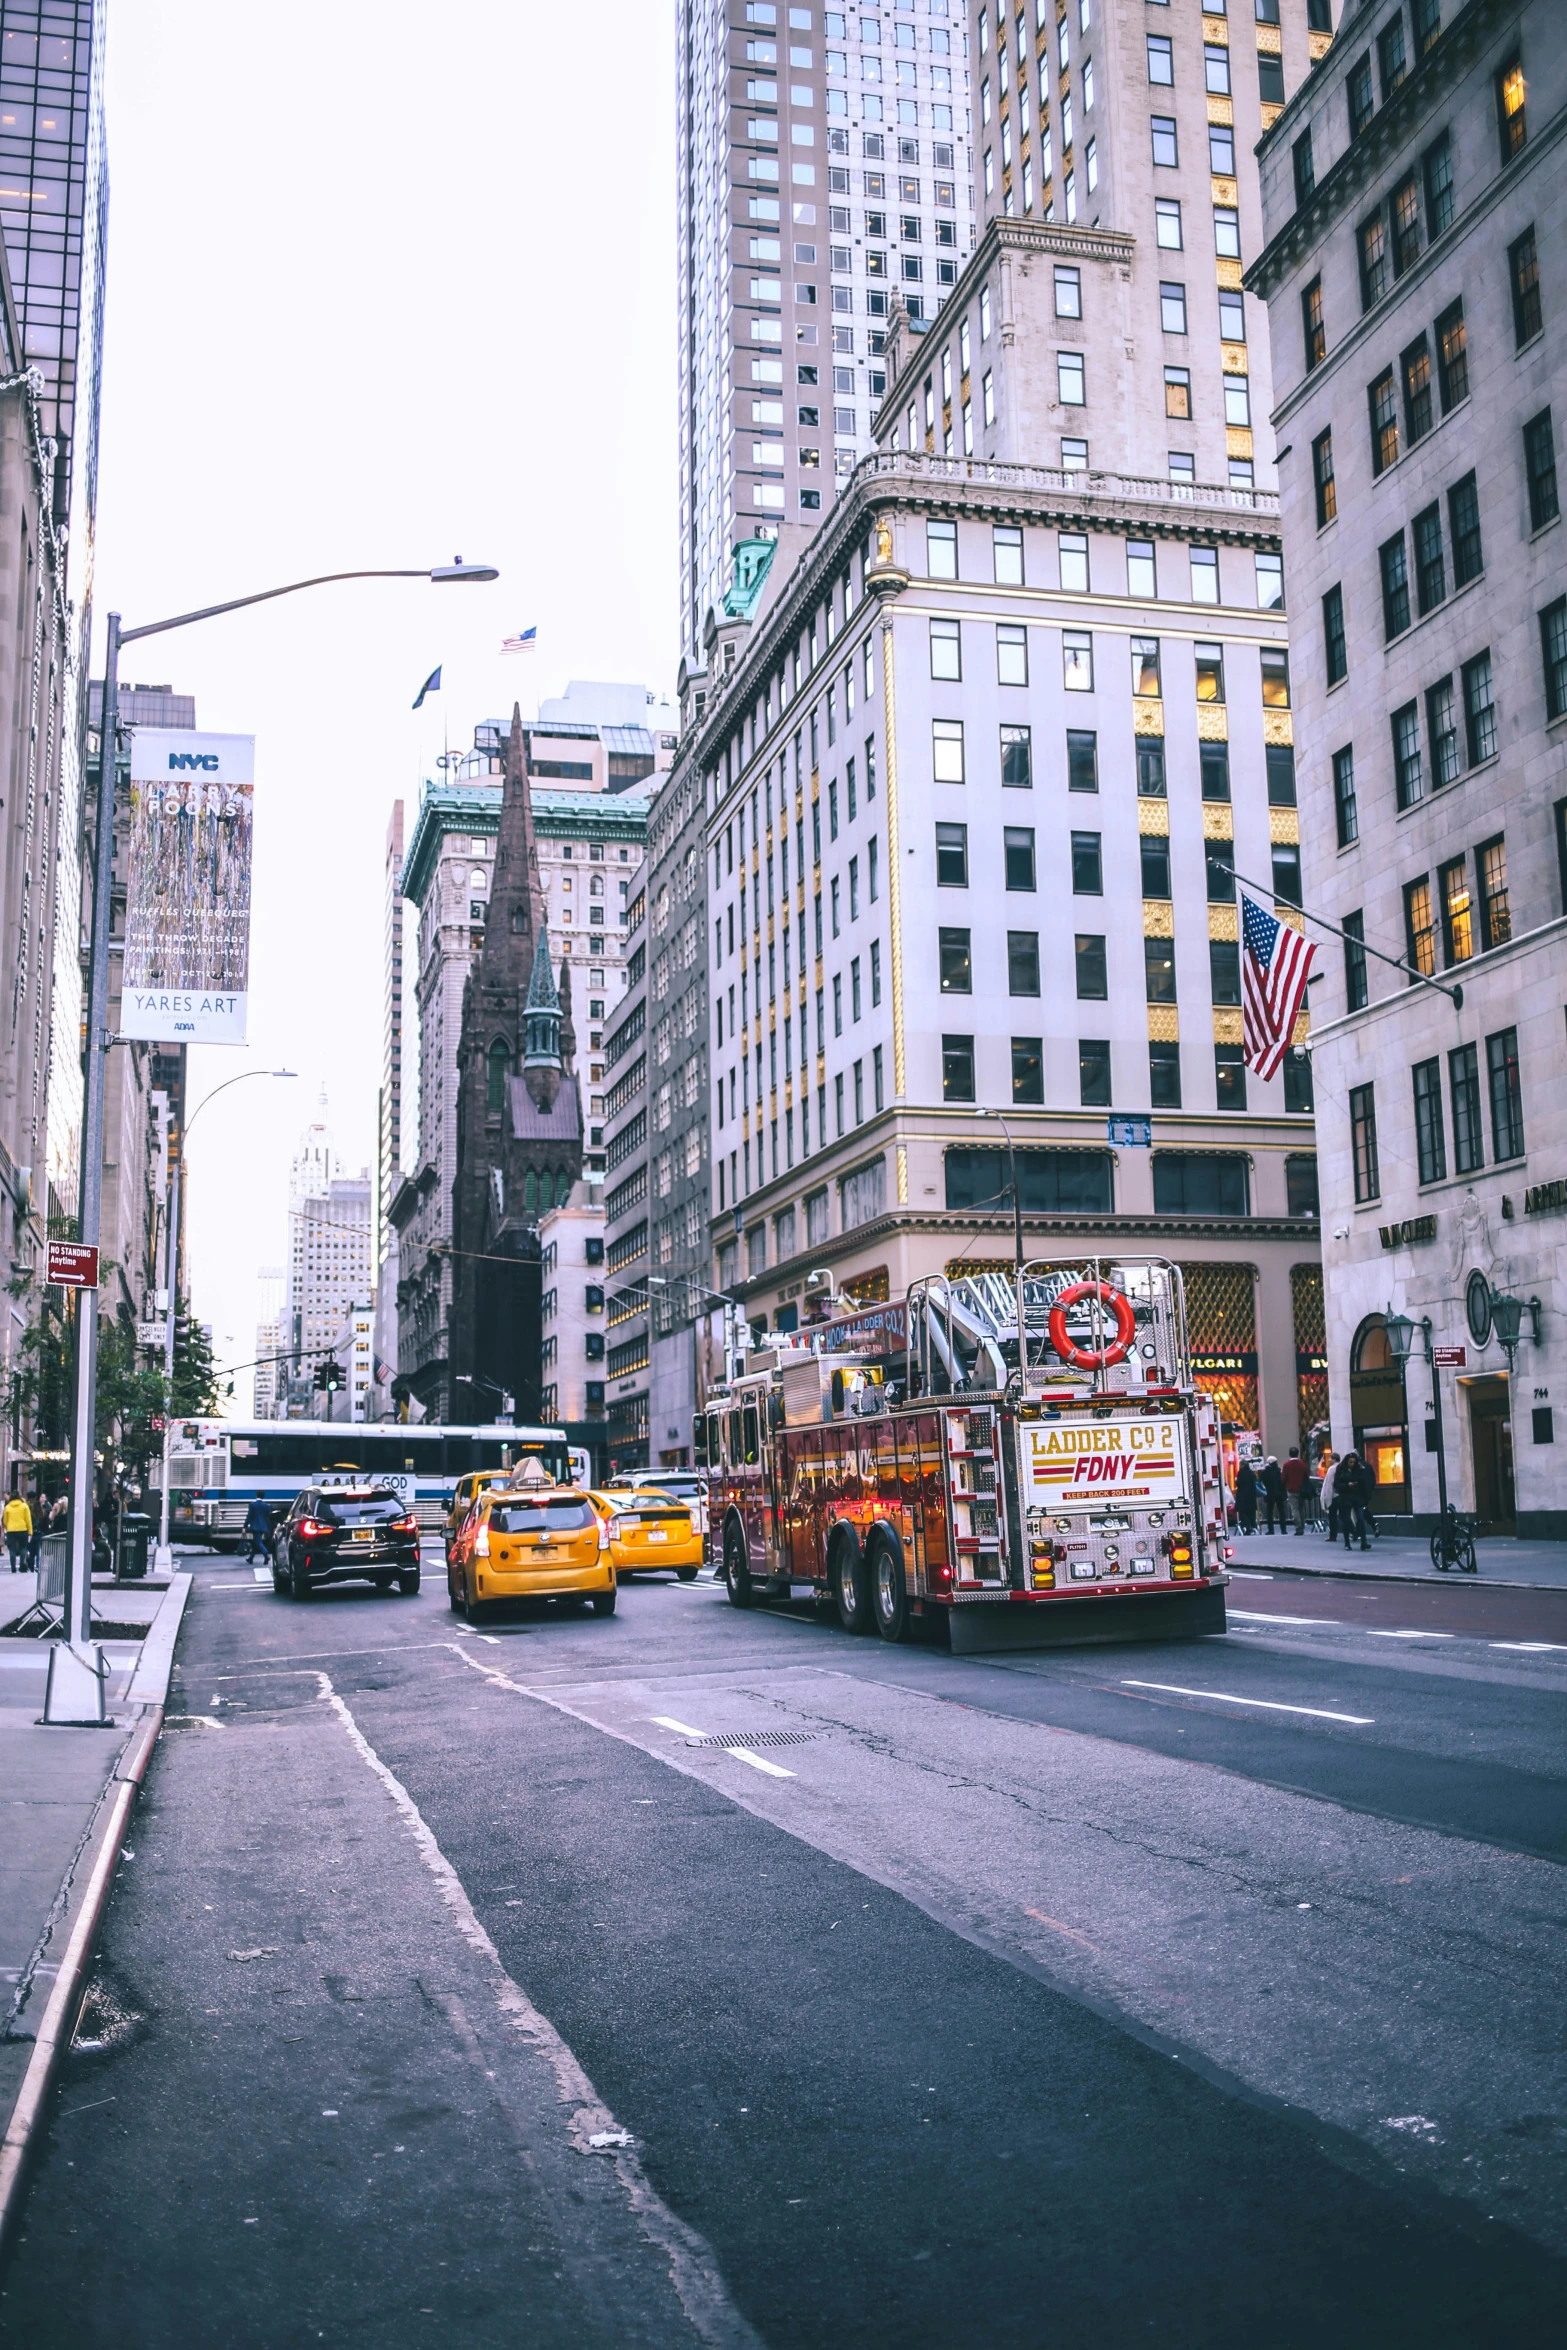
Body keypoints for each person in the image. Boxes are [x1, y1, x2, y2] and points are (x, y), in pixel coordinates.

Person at [1337, 1451, 1373, 1552]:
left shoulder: (1359, 1470)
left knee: (1360, 1519)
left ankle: (1364, 1542)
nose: (1352, 1464)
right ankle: (1347, 1543)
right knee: (1346, 1520)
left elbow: (1364, 1482)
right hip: (1345, 1497)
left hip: (1357, 1497)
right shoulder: (1341, 1470)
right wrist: (1347, 1485)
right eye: (1350, 1462)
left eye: (1353, 1462)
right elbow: (1336, 1484)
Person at [1281, 1447, 1308, 1534]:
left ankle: (1298, 1527)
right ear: (1298, 1453)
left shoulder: (1287, 1465)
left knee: (1294, 1509)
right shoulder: (1302, 1464)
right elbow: (1306, 1476)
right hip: (1302, 1489)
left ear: (1289, 1454)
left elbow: (1283, 1478)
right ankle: (1302, 1526)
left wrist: (1285, 1484)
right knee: (1301, 1508)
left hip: (1291, 1489)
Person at [4, 1488, 32, 1570]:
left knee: (12, 1549)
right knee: (23, 1547)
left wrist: (7, 1527)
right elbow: (28, 1520)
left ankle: (13, 1568)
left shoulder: (7, 1507)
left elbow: (5, 1521)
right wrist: (30, 1531)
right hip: (22, 1529)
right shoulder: (24, 1506)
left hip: (11, 1530)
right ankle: (22, 1564)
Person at [243, 1492, 273, 1564]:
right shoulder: (266, 1506)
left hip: (255, 1526)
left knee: (258, 1542)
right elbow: (269, 1516)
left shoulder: (252, 1505)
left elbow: (249, 1516)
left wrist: (245, 1526)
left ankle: (266, 1555)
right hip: (263, 1526)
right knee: (255, 1542)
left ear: (256, 1495)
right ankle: (251, 1558)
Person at [1260, 1455, 1287, 1535]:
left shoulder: (1266, 1472)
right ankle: (1283, 1529)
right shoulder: (1279, 1471)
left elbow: (1262, 1481)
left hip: (1270, 1494)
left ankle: (1271, 1529)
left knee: (1269, 1513)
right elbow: (1283, 1482)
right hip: (1280, 1494)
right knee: (1282, 1512)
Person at [1235, 1458, 1258, 1536]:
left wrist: (1236, 1481)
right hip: (1251, 1495)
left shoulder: (1240, 1473)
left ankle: (1247, 1528)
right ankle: (1253, 1526)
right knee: (1251, 1512)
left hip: (1243, 1496)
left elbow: (1238, 1483)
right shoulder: (1252, 1473)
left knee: (1244, 1513)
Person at [1319, 1455, 1340, 1543]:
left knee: (1332, 1516)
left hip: (1334, 1495)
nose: (1329, 1460)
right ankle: (1353, 1531)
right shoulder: (1341, 1467)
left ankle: (1333, 1535)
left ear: (1334, 1459)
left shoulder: (1332, 1469)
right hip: (1341, 1494)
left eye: (1331, 1458)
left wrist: (1327, 1496)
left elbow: (1329, 1483)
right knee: (1344, 1515)